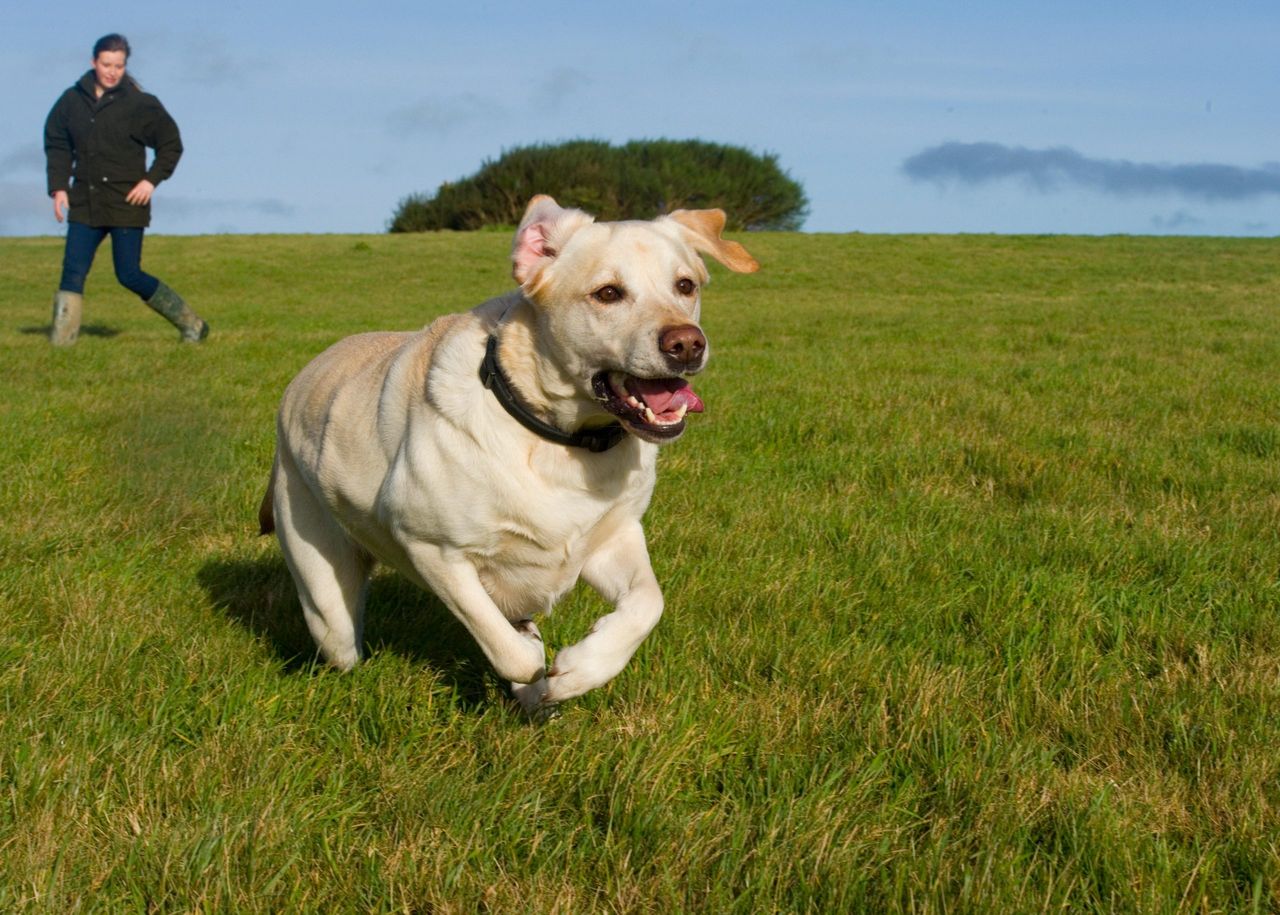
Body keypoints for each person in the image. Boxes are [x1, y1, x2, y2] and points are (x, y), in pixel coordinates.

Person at [44, 33, 208, 345]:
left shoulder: (140, 105)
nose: (112, 71)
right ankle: (61, 345)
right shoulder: (70, 101)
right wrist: (58, 188)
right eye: (106, 64)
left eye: (119, 65)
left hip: (126, 203)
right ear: (94, 62)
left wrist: (150, 181)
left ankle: (192, 325)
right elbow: (57, 144)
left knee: (129, 274)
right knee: (72, 272)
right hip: (85, 201)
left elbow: (171, 145)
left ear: (125, 66)